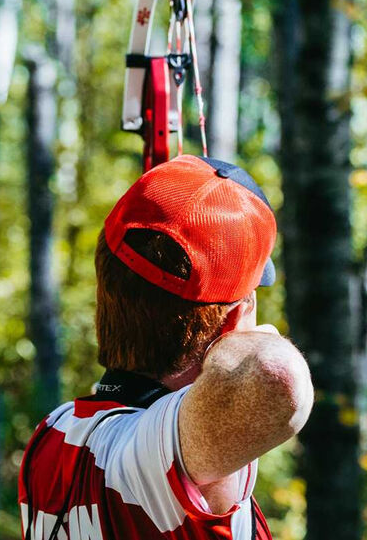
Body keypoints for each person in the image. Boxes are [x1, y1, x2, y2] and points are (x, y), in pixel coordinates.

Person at [18, 155, 313, 540]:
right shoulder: (158, 463)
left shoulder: (53, 434)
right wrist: (243, 336)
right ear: (231, 325)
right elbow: (276, 374)